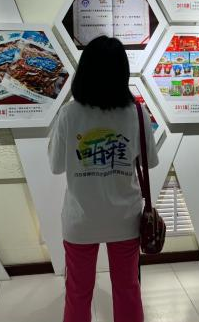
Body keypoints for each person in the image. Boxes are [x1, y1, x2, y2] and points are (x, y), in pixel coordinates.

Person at [48, 36, 158, 322]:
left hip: (80, 220)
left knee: (77, 293)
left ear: (84, 71)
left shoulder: (68, 114)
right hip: (125, 220)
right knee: (127, 289)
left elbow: (55, 166)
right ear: (123, 73)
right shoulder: (137, 113)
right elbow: (150, 161)